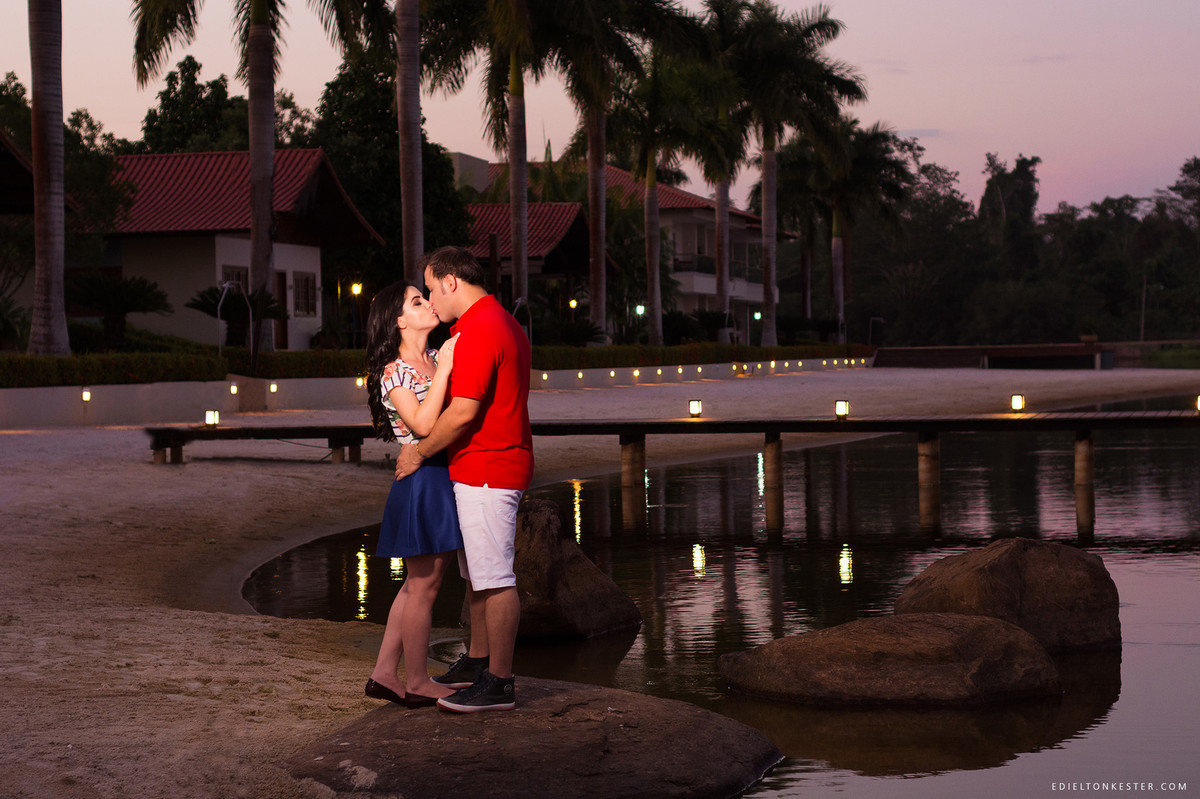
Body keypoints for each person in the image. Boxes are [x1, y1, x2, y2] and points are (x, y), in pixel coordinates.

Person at [394, 246, 533, 713]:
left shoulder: (480, 329)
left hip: (488, 468)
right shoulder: (498, 321)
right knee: (478, 575)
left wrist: (418, 453)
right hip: (486, 466)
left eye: (432, 289)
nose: (431, 300)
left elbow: (462, 413)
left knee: (494, 578)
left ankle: (500, 681)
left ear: (451, 282)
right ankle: (478, 662)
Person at [363, 281, 463, 709]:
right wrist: (444, 369)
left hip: (440, 475)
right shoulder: (394, 371)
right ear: (399, 321)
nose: (428, 304)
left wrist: (443, 364)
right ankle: (418, 680)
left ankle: (385, 673)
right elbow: (422, 425)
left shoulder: (437, 356)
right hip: (422, 480)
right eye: (416, 301)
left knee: (419, 583)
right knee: (424, 585)